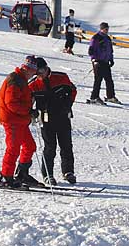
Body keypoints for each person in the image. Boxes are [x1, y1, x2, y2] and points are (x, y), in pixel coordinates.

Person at [28, 57, 78, 185]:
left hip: (63, 116)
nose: (39, 75)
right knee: (50, 147)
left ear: (46, 68)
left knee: (66, 145)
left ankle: (68, 172)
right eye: (37, 73)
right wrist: (32, 111)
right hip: (46, 118)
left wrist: (68, 104)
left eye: (41, 72)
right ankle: (47, 175)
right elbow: (28, 101)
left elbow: (73, 90)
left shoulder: (61, 77)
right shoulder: (33, 84)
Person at [0, 55, 41, 187]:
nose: (33, 75)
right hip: (12, 120)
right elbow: (11, 103)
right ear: (27, 69)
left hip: (20, 120)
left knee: (30, 146)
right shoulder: (15, 80)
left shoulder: (21, 80)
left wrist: (30, 110)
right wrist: (28, 111)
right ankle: (6, 176)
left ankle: (22, 174)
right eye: (33, 72)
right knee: (13, 148)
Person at [86, 22, 120, 104]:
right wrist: (94, 59)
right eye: (105, 29)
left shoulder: (108, 38)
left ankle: (110, 96)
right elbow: (91, 50)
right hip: (98, 61)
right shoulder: (96, 37)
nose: (107, 30)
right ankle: (94, 97)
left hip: (105, 61)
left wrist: (111, 59)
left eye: (107, 29)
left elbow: (110, 50)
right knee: (98, 80)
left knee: (109, 80)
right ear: (101, 29)